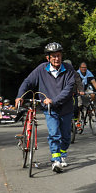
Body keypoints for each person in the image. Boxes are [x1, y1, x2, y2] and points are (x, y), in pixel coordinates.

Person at [15, 42, 75, 173]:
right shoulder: (41, 69)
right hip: (49, 109)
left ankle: (63, 153)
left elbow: (68, 90)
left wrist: (53, 100)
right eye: (53, 56)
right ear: (48, 58)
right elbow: (28, 82)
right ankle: (55, 160)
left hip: (65, 108)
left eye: (58, 55)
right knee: (54, 134)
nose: (57, 58)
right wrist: (20, 96)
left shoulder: (69, 69)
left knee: (66, 137)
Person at [64, 59, 84, 127]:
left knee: (75, 108)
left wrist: (81, 90)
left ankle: (75, 121)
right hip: (64, 95)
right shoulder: (61, 73)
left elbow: (79, 82)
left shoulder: (75, 74)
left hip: (73, 94)